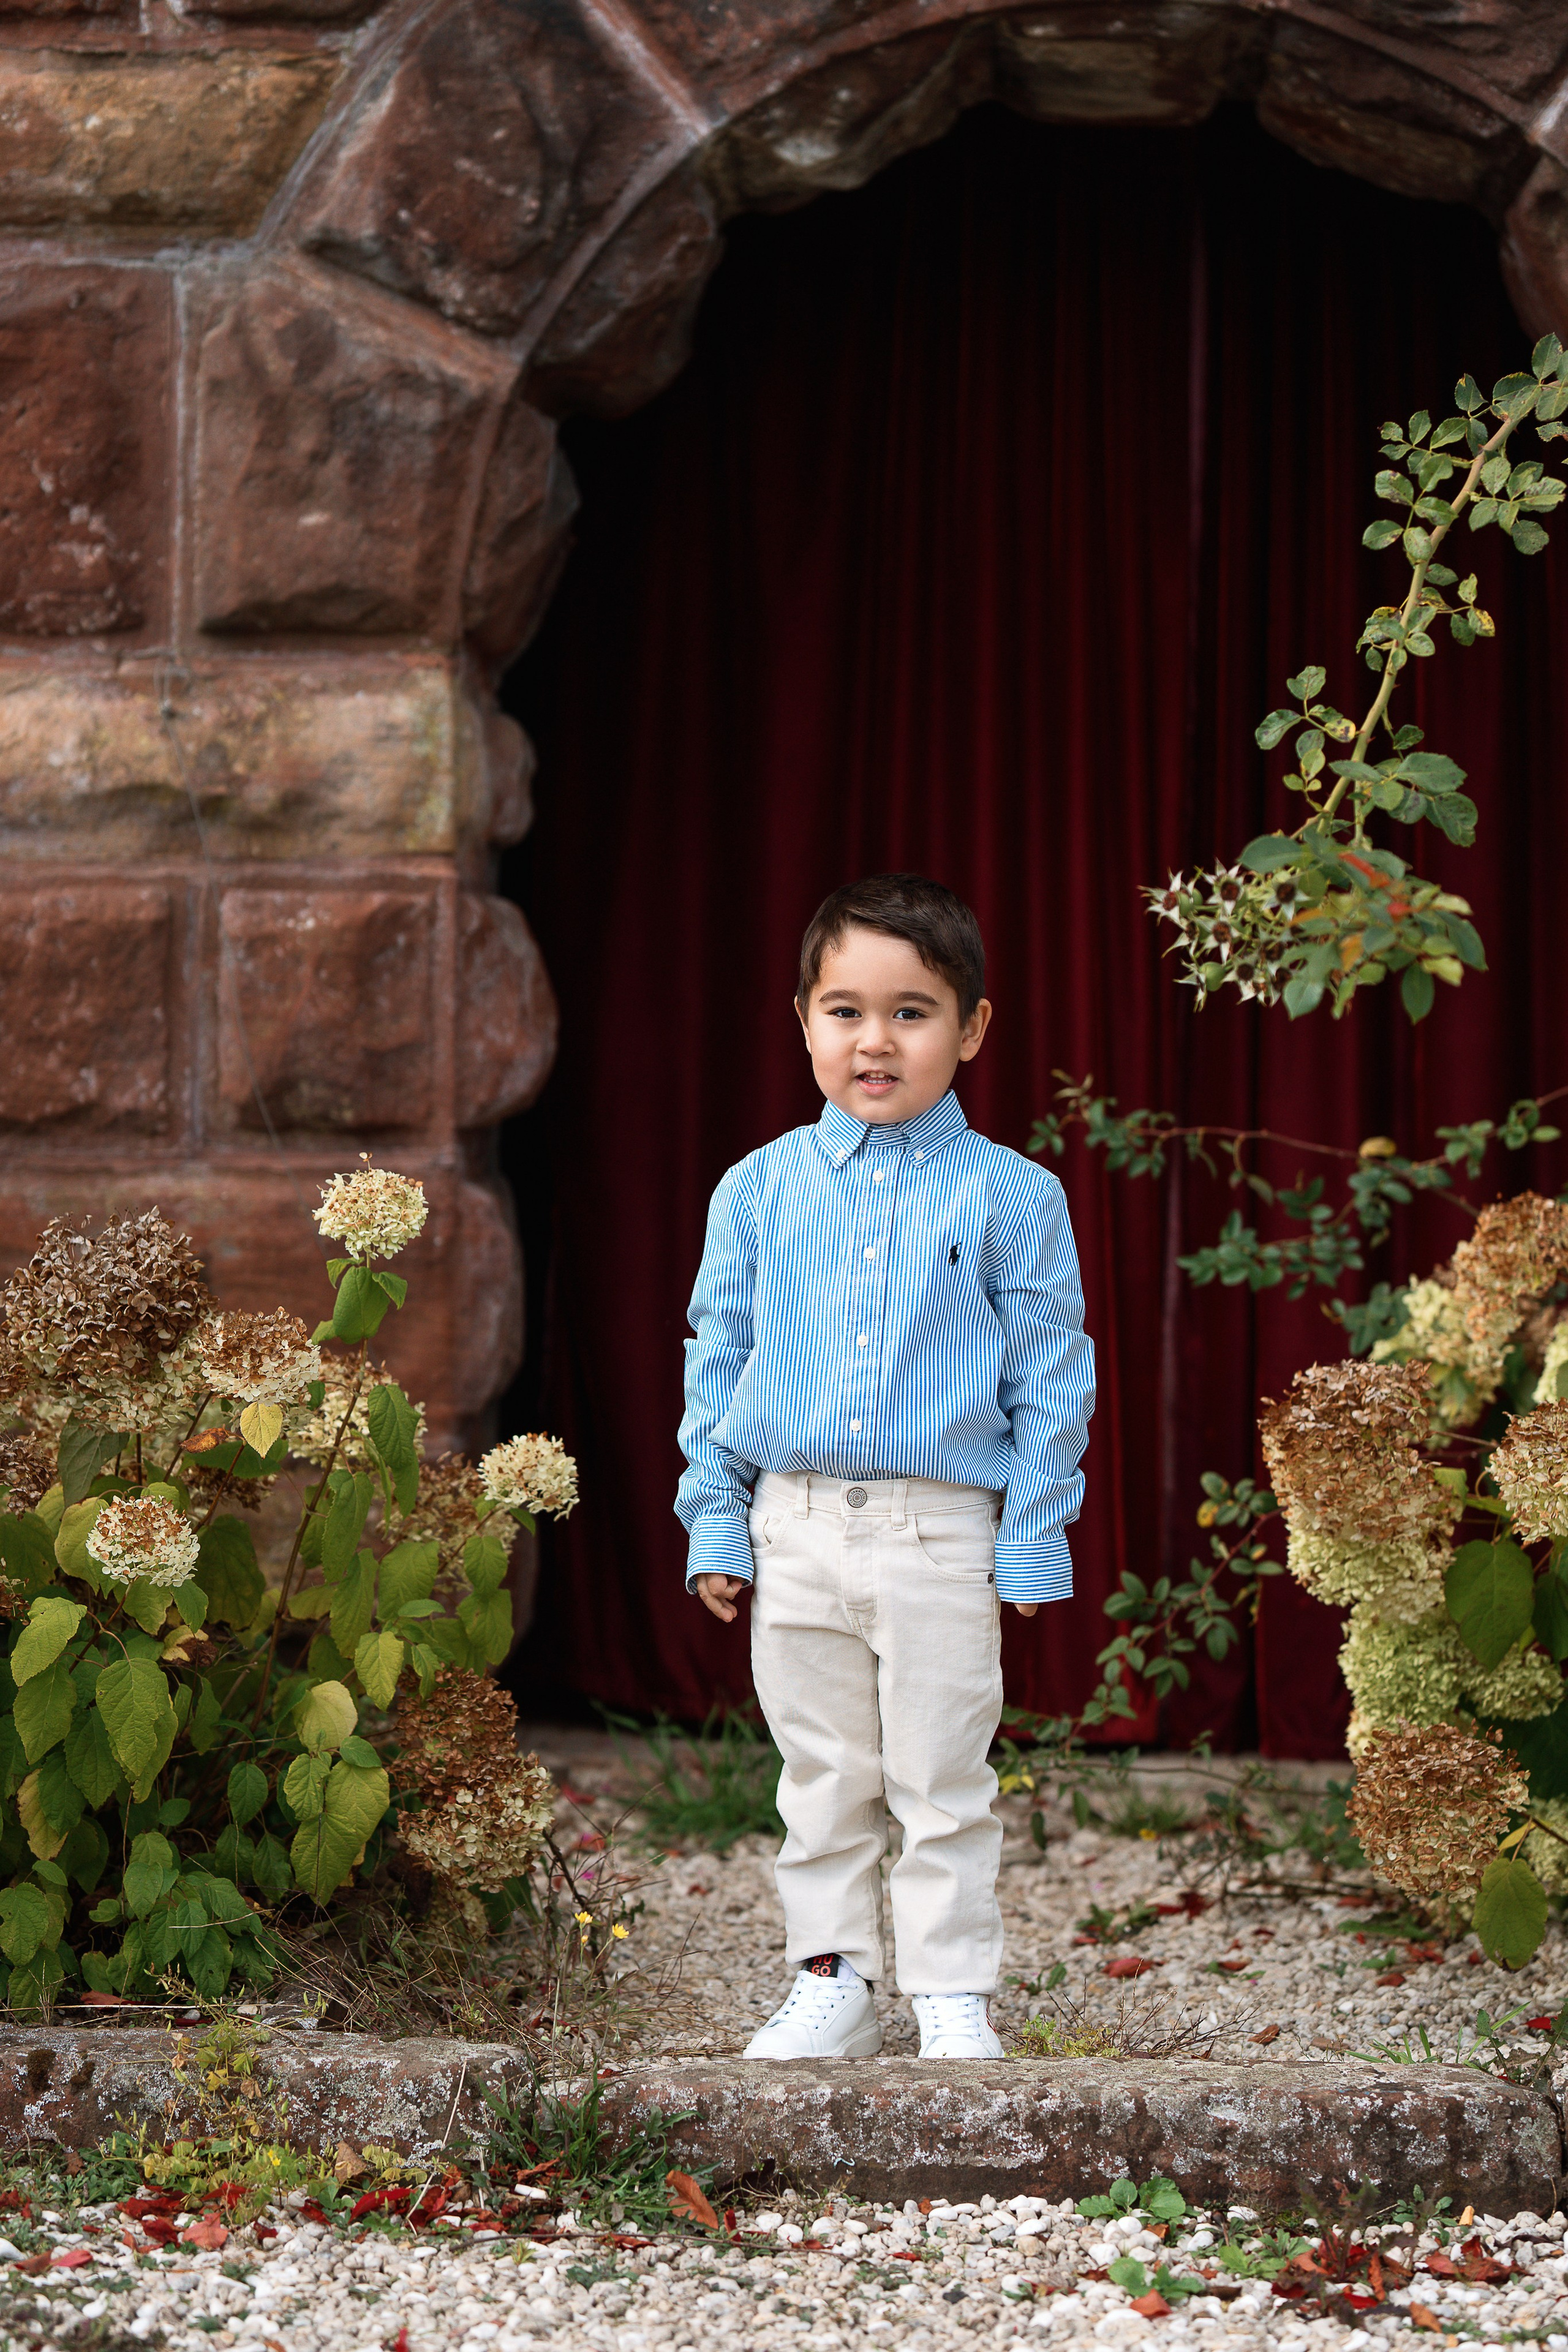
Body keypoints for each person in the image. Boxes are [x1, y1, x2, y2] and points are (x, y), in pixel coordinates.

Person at [675, 874, 1095, 2060]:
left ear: (968, 1030)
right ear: (800, 1020)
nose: (875, 1040)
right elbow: (720, 1360)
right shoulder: (755, 1193)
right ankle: (834, 1982)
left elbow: (1047, 1376)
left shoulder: (1015, 1198)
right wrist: (715, 1522)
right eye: (844, 1009)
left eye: (911, 1012)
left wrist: (1028, 1535)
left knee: (939, 1772)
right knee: (819, 1776)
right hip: (791, 1521)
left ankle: (948, 1992)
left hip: (937, 1529)